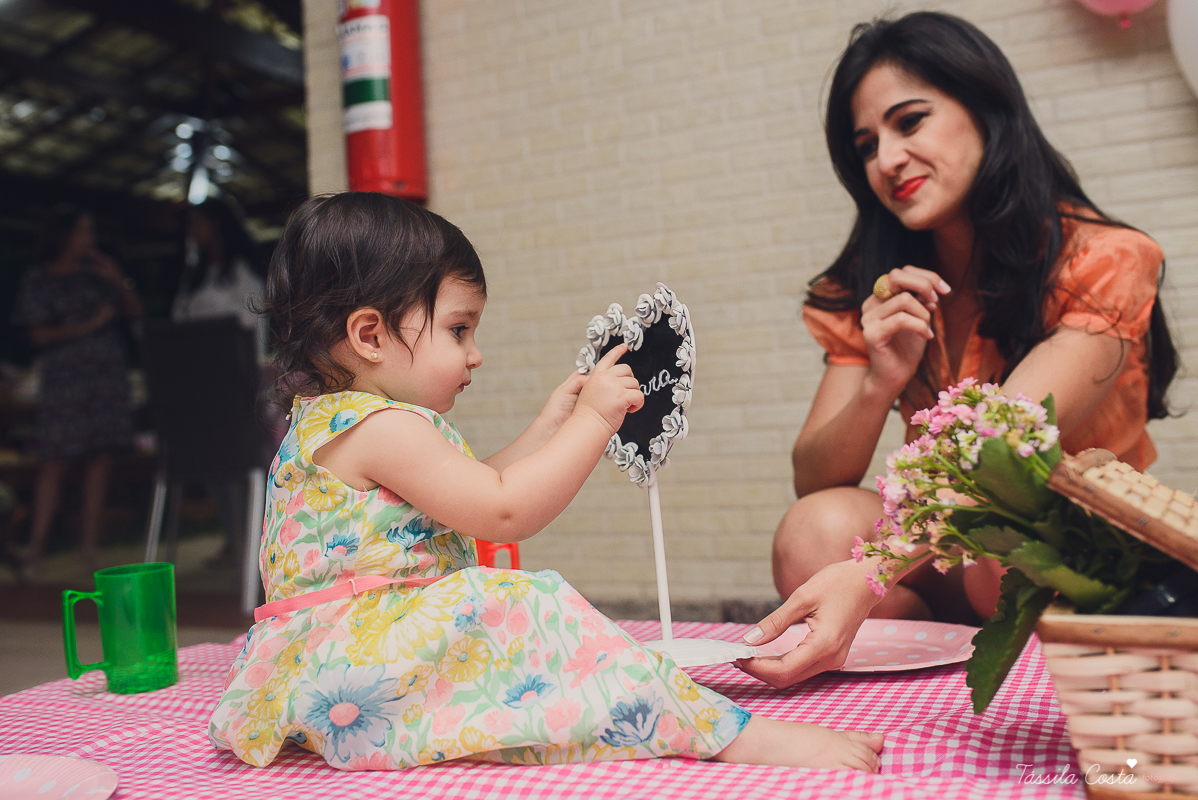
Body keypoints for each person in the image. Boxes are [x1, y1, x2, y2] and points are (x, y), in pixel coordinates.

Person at [208, 193, 884, 771]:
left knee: (530, 648)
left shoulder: (336, 422)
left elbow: (474, 485)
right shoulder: (381, 427)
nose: (476, 354)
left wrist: (553, 423)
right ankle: (732, 735)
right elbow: (502, 512)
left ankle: (639, 717)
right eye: (458, 329)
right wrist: (593, 420)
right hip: (368, 656)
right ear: (371, 336)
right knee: (529, 605)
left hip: (331, 663)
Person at [739, 12, 1178, 690]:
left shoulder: (1101, 262)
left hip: (1063, 560)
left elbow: (995, 454)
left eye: (909, 122)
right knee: (812, 528)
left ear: (985, 109)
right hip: (948, 566)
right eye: (866, 146)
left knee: (1007, 543)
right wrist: (881, 381)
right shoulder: (877, 284)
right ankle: (923, 679)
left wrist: (869, 571)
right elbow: (815, 475)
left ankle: (1008, 673)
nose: (886, 160)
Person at [9, 210, 144, 577]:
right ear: (64, 235)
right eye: (84, 231)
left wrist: (117, 279)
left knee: (100, 462)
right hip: (64, 382)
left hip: (105, 381)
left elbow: (135, 313)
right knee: (54, 461)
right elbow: (37, 335)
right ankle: (35, 549)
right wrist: (90, 325)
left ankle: (89, 548)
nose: (89, 238)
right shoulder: (39, 280)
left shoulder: (98, 277)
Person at [172, 197, 270, 567]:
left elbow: (251, 332)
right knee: (216, 467)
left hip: (236, 383)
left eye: (198, 222)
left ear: (216, 224)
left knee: (244, 462)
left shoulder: (244, 274)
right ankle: (233, 541)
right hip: (198, 386)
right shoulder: (194, 277)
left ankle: (252, 546)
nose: (193, 231)